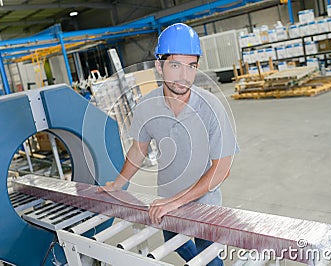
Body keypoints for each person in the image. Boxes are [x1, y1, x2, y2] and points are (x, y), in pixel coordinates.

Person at [99, 23, 238, 266]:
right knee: (176, 245)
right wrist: (118, 184)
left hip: (204, 204)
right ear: (159, 66)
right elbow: (138, 149)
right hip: (165, 199)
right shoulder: (147, 106)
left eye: (191, 66)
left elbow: (222, 169)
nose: (184, 75)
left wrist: (176, 201)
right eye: (175, 65)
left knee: (211, 260)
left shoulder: (211, 107)